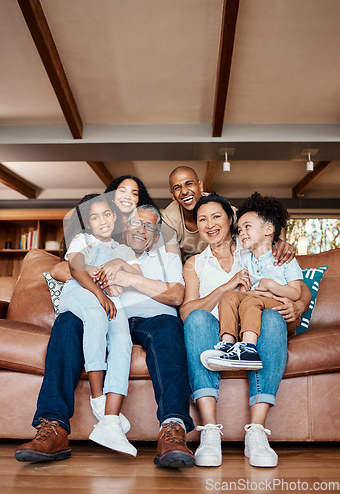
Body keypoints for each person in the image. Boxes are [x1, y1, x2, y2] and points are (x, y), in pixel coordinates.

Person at [14, 204, 195, 468]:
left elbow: (176, 295)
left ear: (157, 236)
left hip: (153, 319)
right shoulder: (104, 248)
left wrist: (128, 278)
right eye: (135, 223)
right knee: (66, 322)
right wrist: (98, 270)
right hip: (108, 314)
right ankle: (53, 427)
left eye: (149, 226)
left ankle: (172, 429)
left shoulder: (166, 258)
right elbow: (63, 270)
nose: (141, 230)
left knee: (170, 330)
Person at [180, 193, 311, 468]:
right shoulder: (195, 263)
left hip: (259, 327)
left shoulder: (253, 248)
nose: (210, 224)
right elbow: (186, 311)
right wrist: (226, 286)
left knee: (273, 319)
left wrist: (297, 306)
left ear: (231, 220)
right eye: (202, 219)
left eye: (217, 216)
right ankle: (211, 431)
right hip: (215, 333)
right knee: (197, 319)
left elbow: (301, 289)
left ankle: (257, 433)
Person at [59, 193, 142, 456]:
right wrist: (100, 292)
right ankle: (98, 398)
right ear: (87, 223)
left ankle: (110, 420)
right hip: (80, 292)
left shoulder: (125, 250)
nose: (102, 221)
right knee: (97, 314)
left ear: (115, 217)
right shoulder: (81, 241)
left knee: (122, 339)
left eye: (107, 214)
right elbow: (76, 270)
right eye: (94, 217)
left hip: (111, 298)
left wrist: (116, 263)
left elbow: (137, 276)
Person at [203, 192, 303, 372]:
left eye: (247, 227)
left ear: (268, 230)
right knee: (229, 296)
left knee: (251, 300)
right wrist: (254, 293)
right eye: (240, 230)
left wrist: (271, 286)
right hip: (257, 304)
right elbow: (243, 293)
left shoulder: (285, 258)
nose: (242, 233)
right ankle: (227, 344)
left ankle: (248, 349)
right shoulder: (245, 260)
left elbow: (296, 293)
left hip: (281, 311)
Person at [162, 166, 296, 264]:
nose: (184, 191)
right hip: (190, 264)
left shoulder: (219, 207)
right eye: (177, 187)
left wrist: (277, 242)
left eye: (189, 184)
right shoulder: (168, 220)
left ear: (200, 186)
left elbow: (255, 228)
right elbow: (173, 262)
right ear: (172, 195)